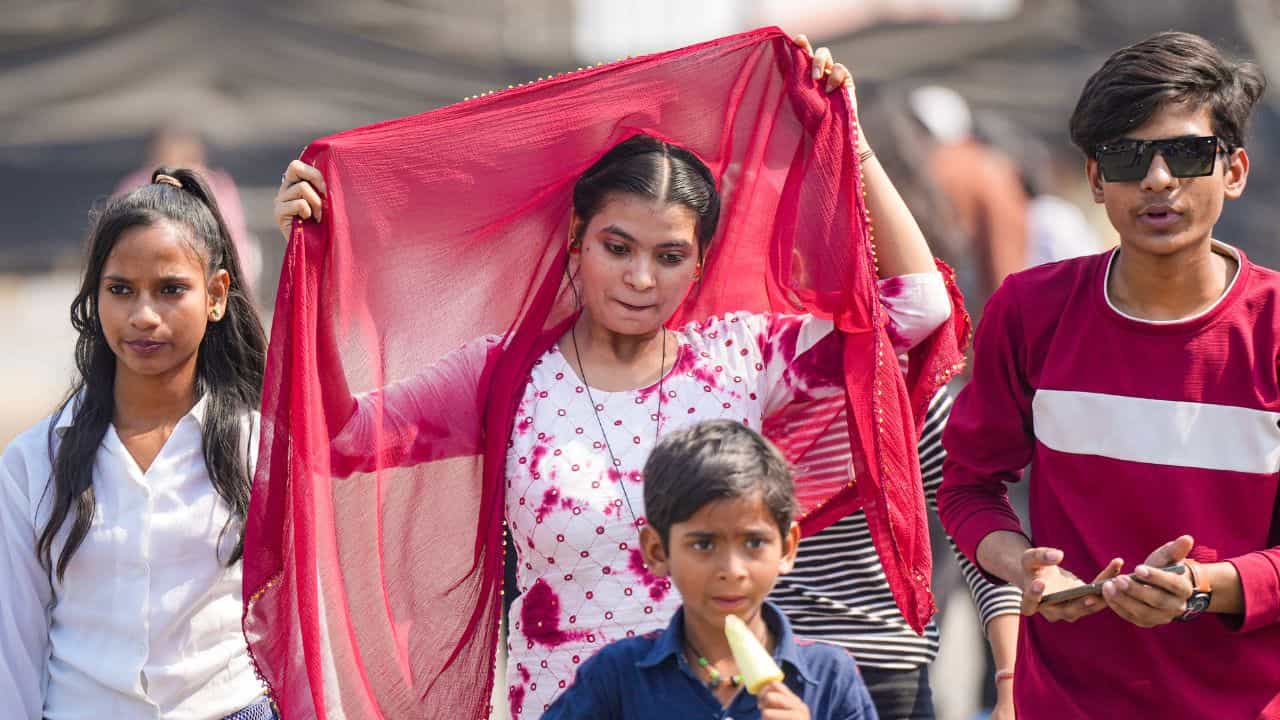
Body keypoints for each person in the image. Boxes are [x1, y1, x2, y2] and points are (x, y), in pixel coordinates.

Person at [257, 30, 964, 720]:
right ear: (575, 241)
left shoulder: (741, 358)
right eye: (616, 247)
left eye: (668, 256)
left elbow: (918, 307)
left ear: (700, 263)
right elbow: (344, 434)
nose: (639, 278)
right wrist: (312, 277)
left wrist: (856, 146)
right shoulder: (506, 374)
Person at [938, 31, 1280, 719]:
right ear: (1096, 179)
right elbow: (969, 488)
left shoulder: (1271, 329)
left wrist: (1209, 587)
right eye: (1127, 156)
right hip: (1064, 704)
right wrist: (1024, 566)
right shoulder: (1029, 312)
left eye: (1185, 153)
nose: (1157, 178)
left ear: (1234, 170)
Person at [0, 169, 272, 718]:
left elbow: (300, 620)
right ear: (95, 295)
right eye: (120, 290)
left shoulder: (259, 447)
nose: (144, 316)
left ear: (217, 296)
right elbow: (13, 650)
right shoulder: (34, 463)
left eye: (171, 289)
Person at [542, 419, 878, 720]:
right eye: (704, 545)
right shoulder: (617, 676)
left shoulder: (830, 677)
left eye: (754, 543)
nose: (732, 570)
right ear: (657, 551)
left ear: (787, 548)